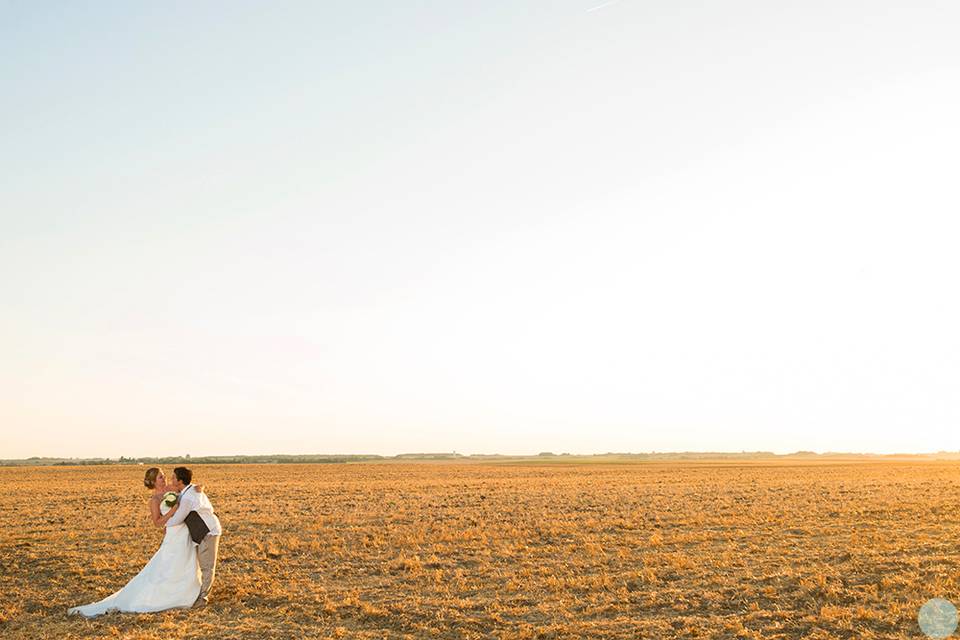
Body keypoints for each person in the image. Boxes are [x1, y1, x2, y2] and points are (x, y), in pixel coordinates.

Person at [67, 468, 201, 617]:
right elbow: (157, 523)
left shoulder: (172, 489)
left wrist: (198, 488)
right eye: (160, 478)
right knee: (169, 564)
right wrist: (173, 511)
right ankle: (169, 597)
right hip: (173, 533)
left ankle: (189, 591)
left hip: (184, 531)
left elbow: (188, 489)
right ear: (154, 482)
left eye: (164, 476)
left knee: (187, 560)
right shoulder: (155, 500)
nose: (164, 480)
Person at [164, 466, 222, 608]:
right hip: (201, 531)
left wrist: (164, 523)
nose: (171, 480)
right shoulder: (188, 491)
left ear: (180, 481)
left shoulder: (189, 497)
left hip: (208, 531)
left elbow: (178, 518)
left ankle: (203, 598)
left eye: (173, 477)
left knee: (207, 566)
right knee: (201, 564)